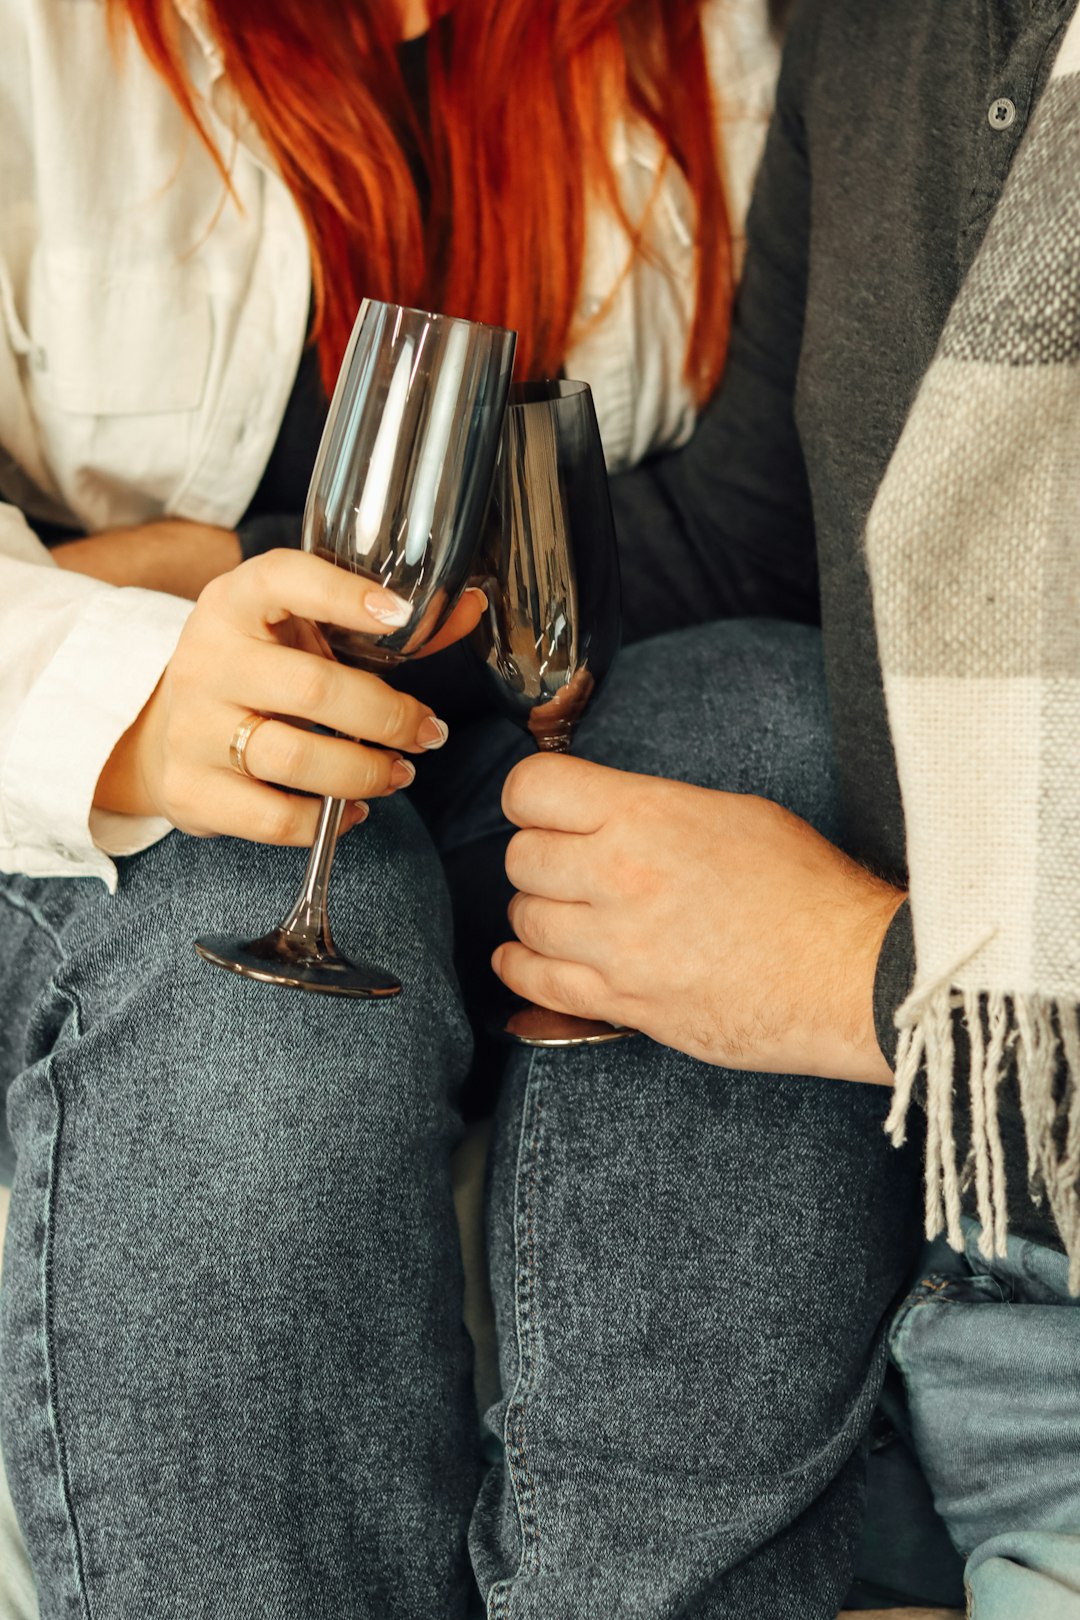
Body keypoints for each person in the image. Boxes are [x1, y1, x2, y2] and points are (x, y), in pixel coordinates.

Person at [0, 3, 802, 1617]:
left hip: (532, 693)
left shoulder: (703, 35)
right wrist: (122, 681)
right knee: (270, 936)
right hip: (122, 744)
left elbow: (764, 503)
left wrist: (211, 557)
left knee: (766, 734)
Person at [473, 0, 1080, 1616]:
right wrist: (256, 586)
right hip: (977, 1305)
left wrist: (863, 977)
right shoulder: (887, 31)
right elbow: (755, 529)